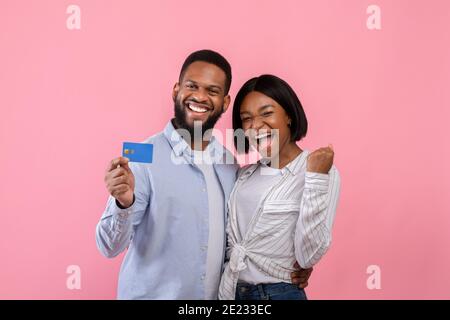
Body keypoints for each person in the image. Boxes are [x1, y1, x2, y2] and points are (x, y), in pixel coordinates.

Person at [96, 50, 311, 299]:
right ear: (176, 90)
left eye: (212, 91)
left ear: (225, 102)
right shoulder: (143, 156)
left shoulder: (229, 164)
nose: (200, 96)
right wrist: (123, 203)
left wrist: (288, 267)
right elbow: (109, 247)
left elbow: (243, 239)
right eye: (192, 86)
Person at [218, 74, 340, 300]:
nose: (255, 125)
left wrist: (315, 178)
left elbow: (308, 256)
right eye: (246, 118)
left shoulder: (319, 170)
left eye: (267, 113)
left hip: (276, 294)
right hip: (230, 291)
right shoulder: (244, 175)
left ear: (289, 116)